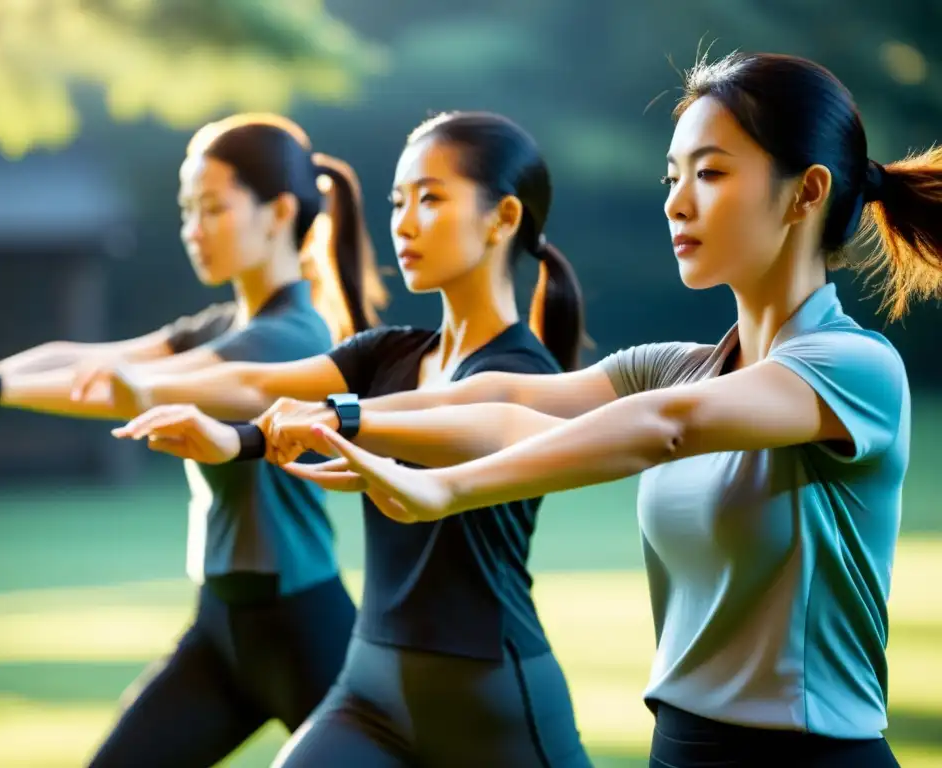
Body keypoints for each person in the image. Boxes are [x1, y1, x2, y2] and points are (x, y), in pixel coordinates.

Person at [218, 53, 938, 767]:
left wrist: (447, 488)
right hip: (681, 748)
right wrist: (347, 421)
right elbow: (505, 401)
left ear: (806, 192)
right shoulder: (679, 367)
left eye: (710, 173)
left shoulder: (853, 370)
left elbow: (664, 428)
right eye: (672, 176)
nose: (676, 202)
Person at [110, 111, 594, 767]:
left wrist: (321, 421)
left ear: (503, 218)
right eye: (397, 201)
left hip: (491, 699)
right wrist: (228, 434)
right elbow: (257, 381)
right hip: (369, 688)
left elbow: (438, 420)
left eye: (430, 198)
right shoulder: (384, 354)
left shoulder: (522, 376)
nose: (404, 221)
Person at [0, 113, 386, 768]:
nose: (193, 230)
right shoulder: (222, 323)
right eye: (186, 210)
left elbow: (133, 386)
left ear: (278, 212)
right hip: (220, 628)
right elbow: (88, 356)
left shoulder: (291, 338)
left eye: (213, 209)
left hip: (303, 631)